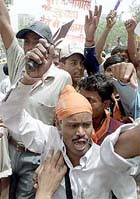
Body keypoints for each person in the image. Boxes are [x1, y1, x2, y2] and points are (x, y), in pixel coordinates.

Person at [1, 38, 140, 198]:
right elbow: (11, 115)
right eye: (73, 126)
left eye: (86, 125)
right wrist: (29, 79)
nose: (81, 132)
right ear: (59, 126)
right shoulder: (50, 140)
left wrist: (126, 84)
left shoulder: (105, 158)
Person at [0, 1, 72, 198]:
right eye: (27, 41)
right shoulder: (18, 63)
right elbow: (4, 22)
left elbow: (63, 124)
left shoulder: (63, 78)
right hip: (9, 149)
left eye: (36, 41)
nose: (30, 46)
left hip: (36, 156)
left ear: (49, 47)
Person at [78, 74, 123, 145]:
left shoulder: (118, 132)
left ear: (106, 104)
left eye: (90, 101)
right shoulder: (68, 126)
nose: (82, 104)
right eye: (80, 98)